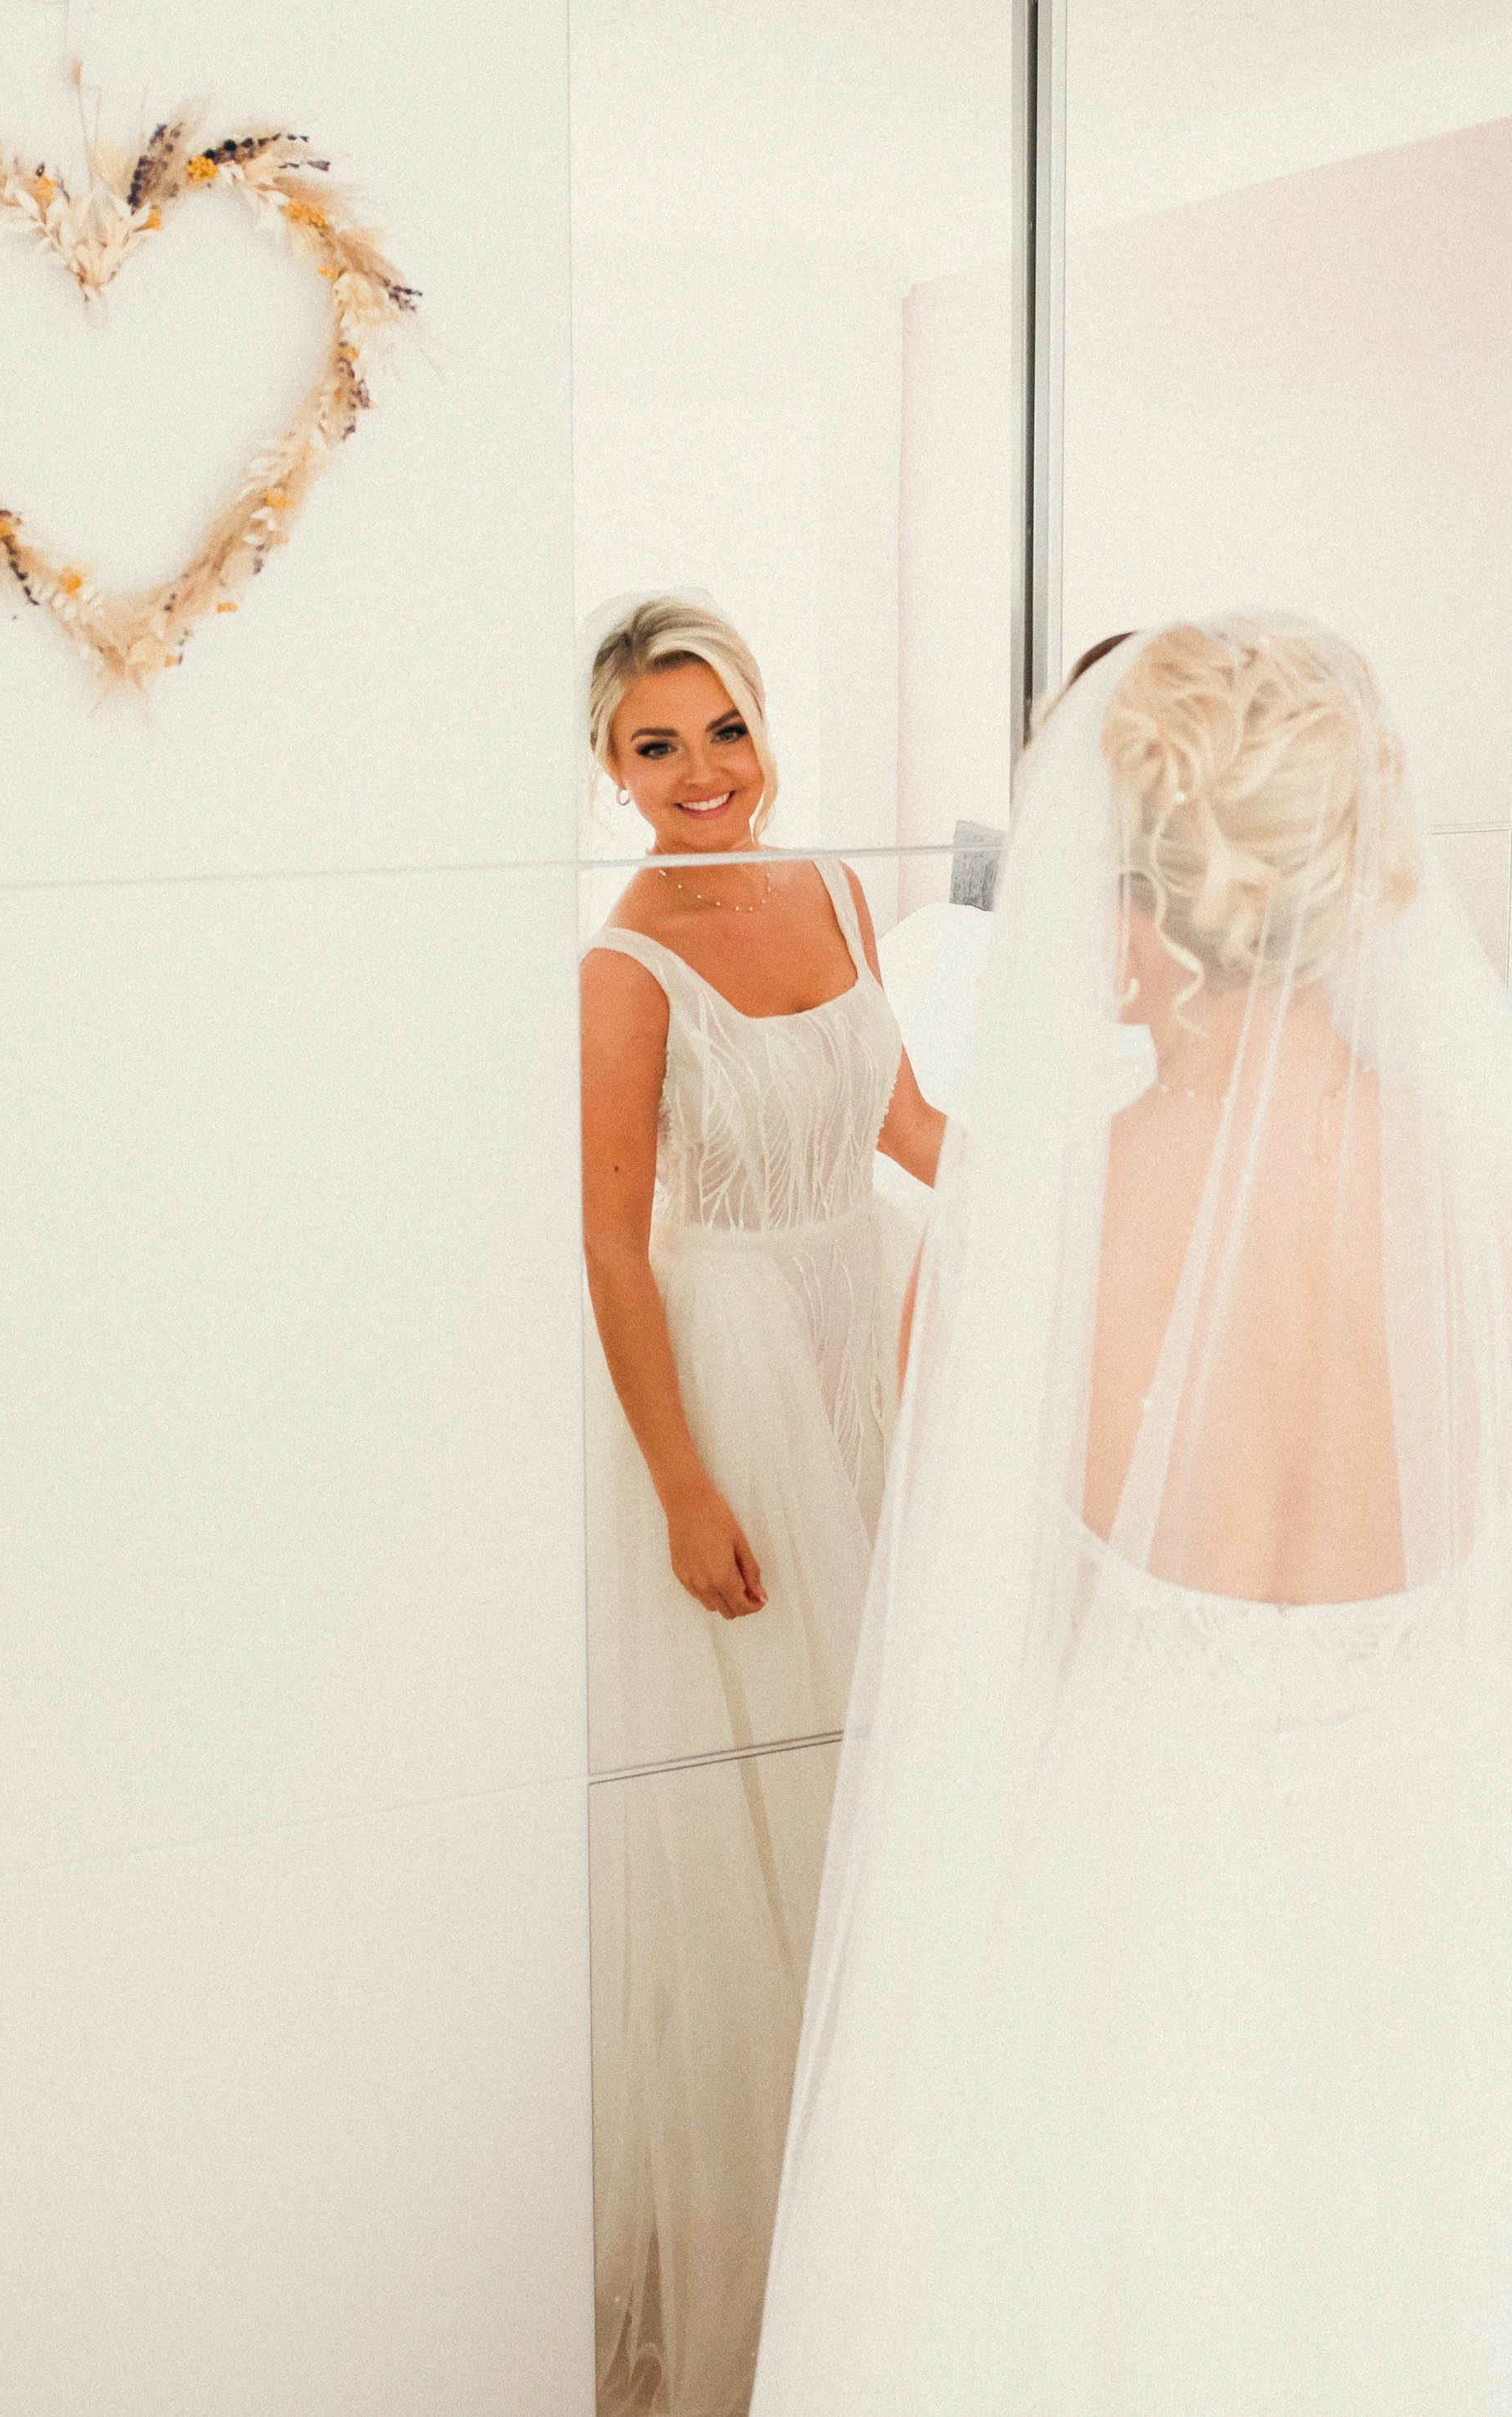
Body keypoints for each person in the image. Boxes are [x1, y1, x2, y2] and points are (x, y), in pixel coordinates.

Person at [751, 616, 1512, 2414]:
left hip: (1130, 1892)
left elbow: (971, 1647)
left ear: (1138, 910)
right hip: (1494, 1896)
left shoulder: (1012, 1234)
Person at [580, 590, 943, 2417]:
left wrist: (1089, 1184)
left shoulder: (836, 892)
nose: (702, 773)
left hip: (855, 1319)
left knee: (894, 1720)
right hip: (722, 1354)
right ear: (608, 770)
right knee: (769, 1767)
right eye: (657, 746)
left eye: (722, 730)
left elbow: (904, 1119)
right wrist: (678, 1480)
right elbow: (607, 1236)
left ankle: (892, 2136)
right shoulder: (620, 964)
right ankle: (779, 2177)